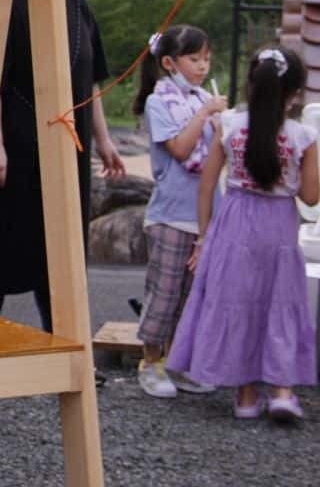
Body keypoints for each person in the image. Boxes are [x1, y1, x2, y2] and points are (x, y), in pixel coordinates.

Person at [0, 0, 126, 333]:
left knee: (62, 249)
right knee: (1, 242)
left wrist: (106, 140)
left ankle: (66, 339)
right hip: (20, 144)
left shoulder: (81, 8)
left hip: (71, 144)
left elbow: (91, 81)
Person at [168, 47, 318, 421]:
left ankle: (246, 395)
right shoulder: (303, 136)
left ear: (252, 83)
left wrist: (203, 237)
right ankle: (282, 390)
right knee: (279, 303)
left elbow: (206, 187)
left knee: (238, 302)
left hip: (234, 223)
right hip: (279, 227)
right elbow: (311, 197)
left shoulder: (229, 125)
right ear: (295, 92)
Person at [130, 25, 225, 399]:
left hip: (205, 213)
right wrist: (206, 113)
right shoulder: (160, 102)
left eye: (206, 59)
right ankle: (149, 362)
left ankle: (179, 363)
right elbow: (182, 150)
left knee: (192, 296)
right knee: (164, 293)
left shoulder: (202, 97)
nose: (203, 67)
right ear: (169, 62)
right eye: (194, 59)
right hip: (171, 213)